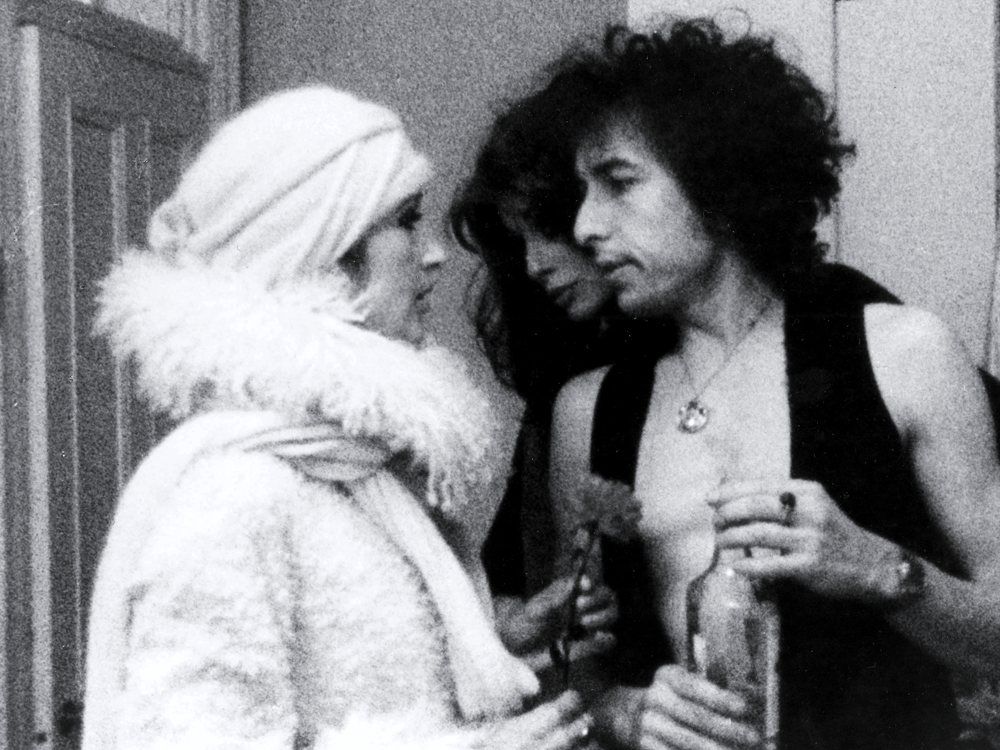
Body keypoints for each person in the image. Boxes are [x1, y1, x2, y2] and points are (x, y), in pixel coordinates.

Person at [520, 18, 1000, 750]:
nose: (585, 226)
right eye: (581, 193)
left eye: (618, 182)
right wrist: (620, 711)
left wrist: (878, 568)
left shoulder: (904, 354)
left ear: (720, 182)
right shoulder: (587, 410)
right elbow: (572, 657)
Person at [81, 86, 595, 750]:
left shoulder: (350, 467)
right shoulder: (237, 491)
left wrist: (487, 639)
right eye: (406, 220)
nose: (434, 253)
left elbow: (352, 685)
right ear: (322, 247)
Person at [450, 89, 630, 660]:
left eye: (547, 230)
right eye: (518, 240)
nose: (532, 265)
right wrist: (517, 622)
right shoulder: (562, 389)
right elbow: (505, 575)